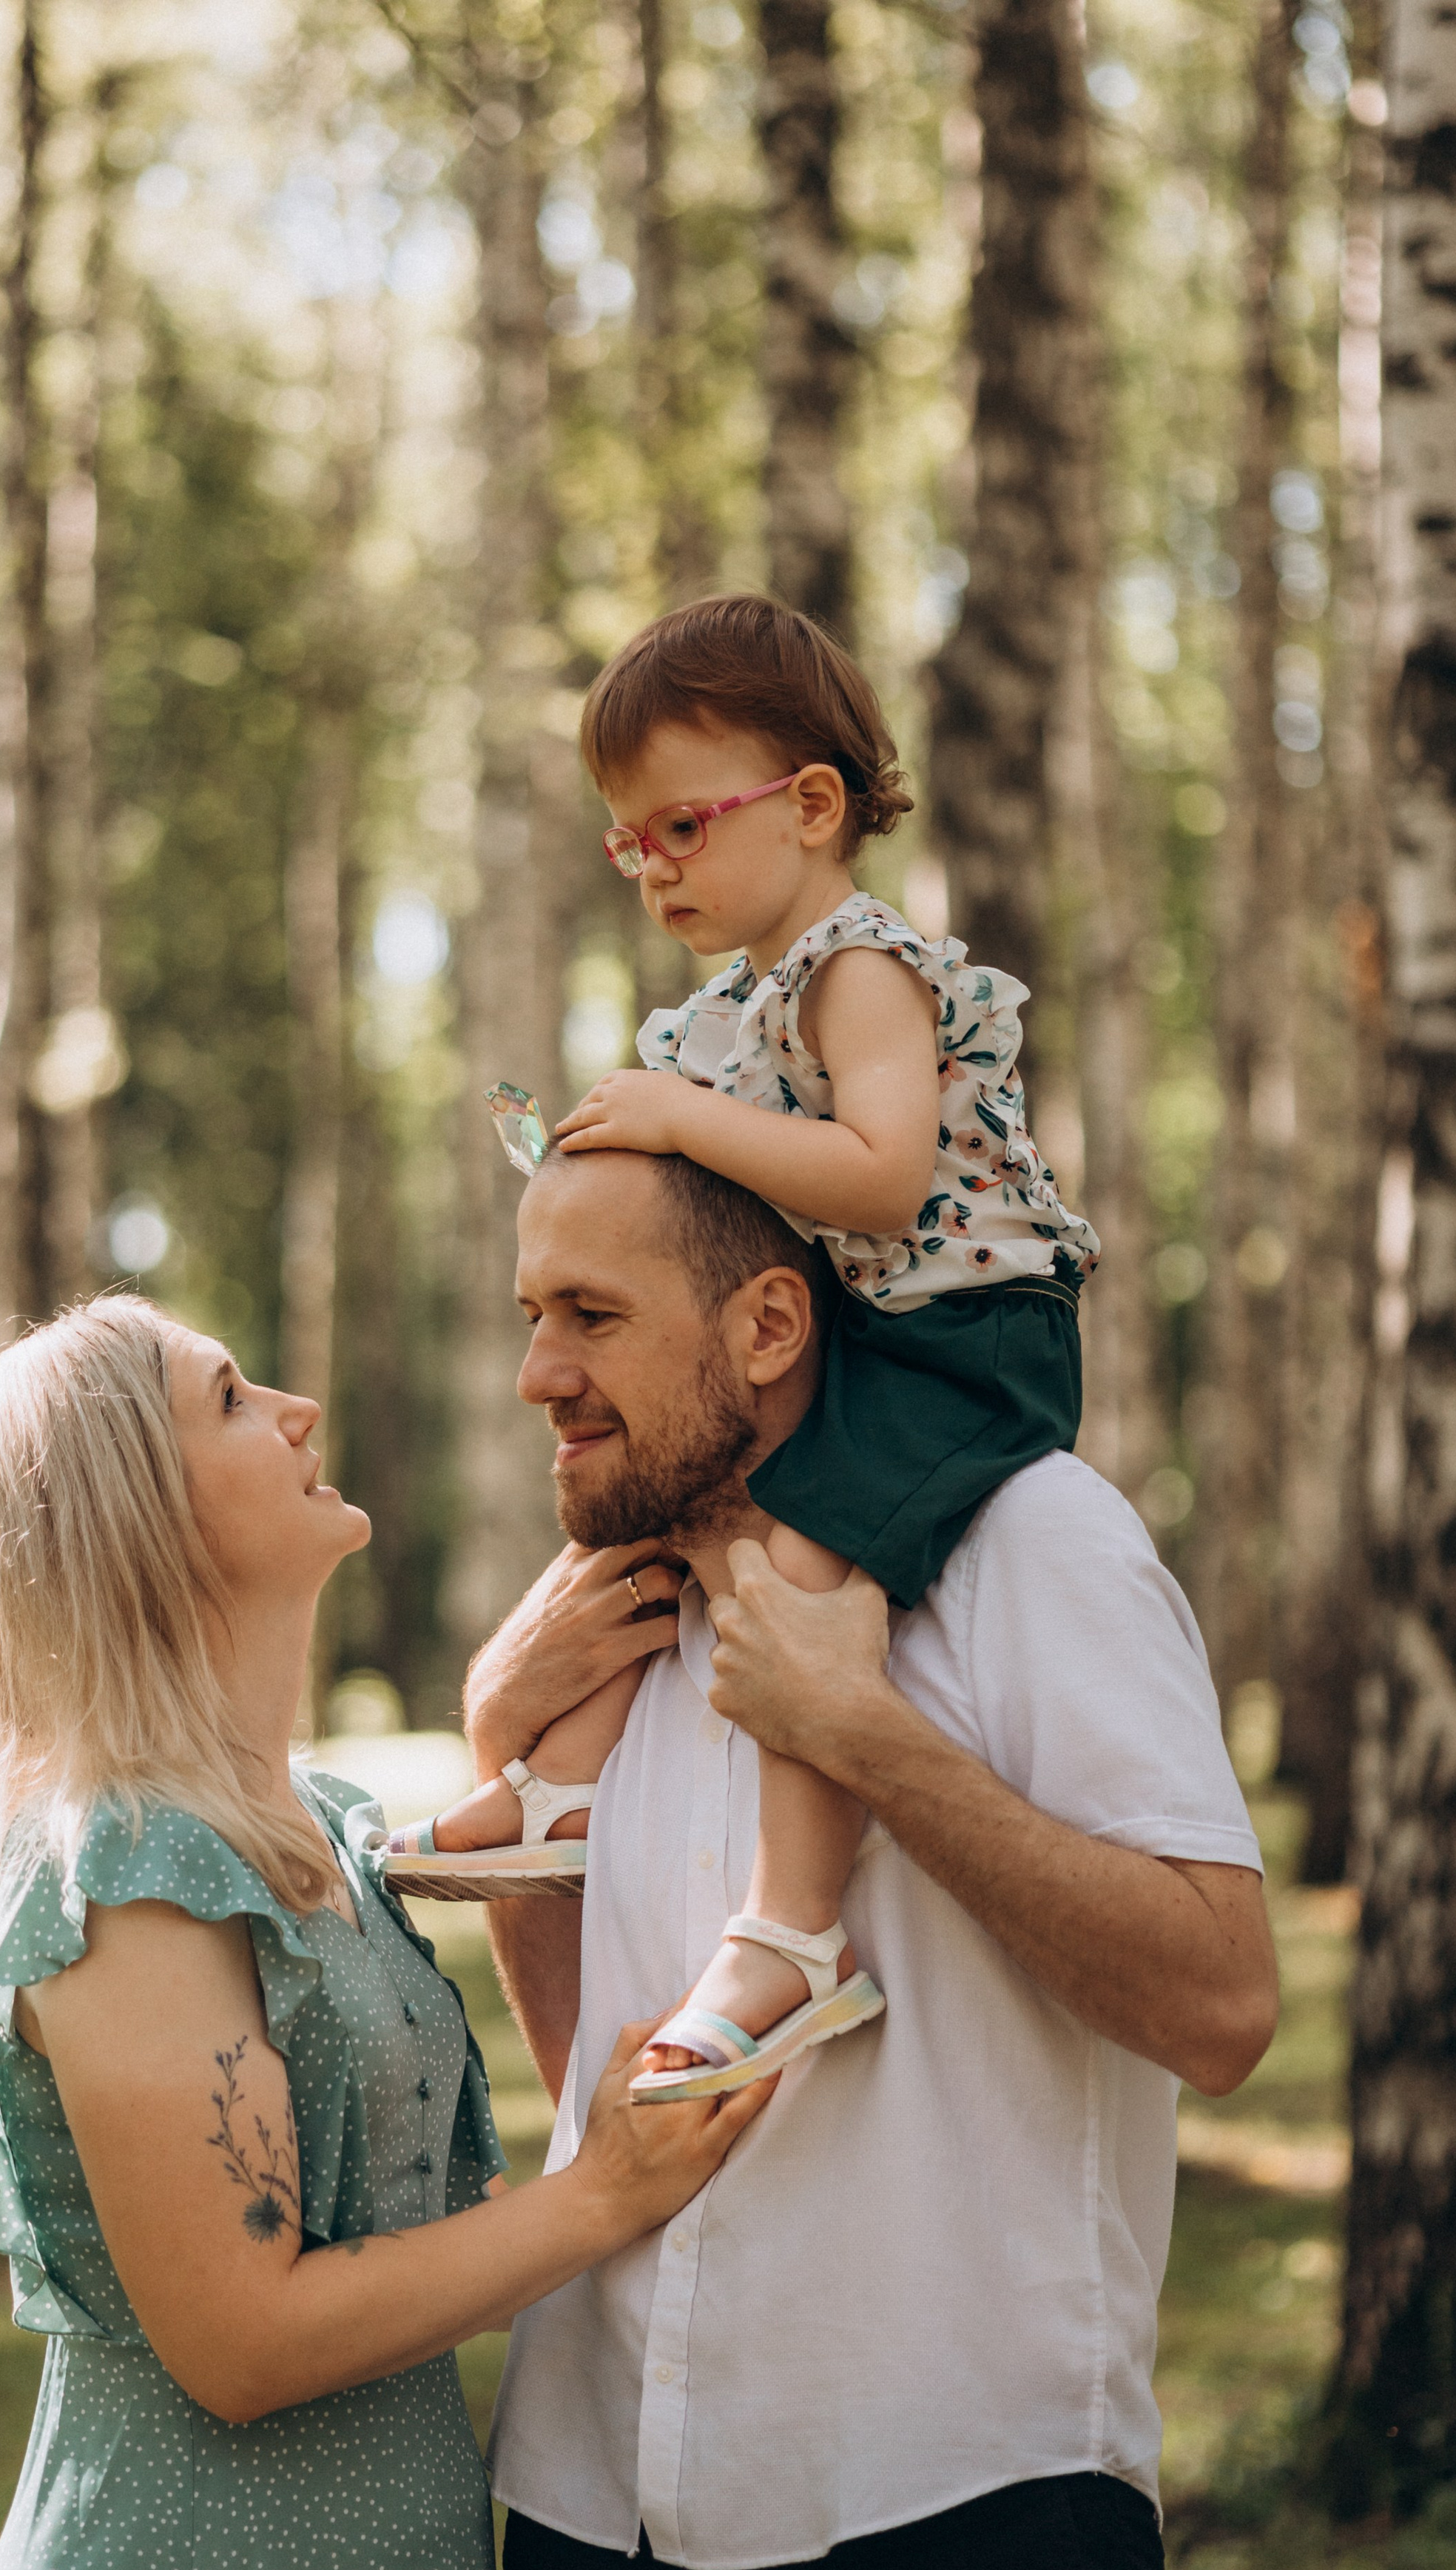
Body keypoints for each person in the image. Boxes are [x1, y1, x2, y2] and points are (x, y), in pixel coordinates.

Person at [468, 1143, 1276, 2570]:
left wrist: (868, 1742)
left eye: (591, 1317)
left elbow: (1220, 2002)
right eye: (533, 1315)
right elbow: (600, 2090)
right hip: (594, 2544)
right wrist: (505, 1745)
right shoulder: (602, 1617)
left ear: (769, 1323)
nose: (540, 1372)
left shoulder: (1031, 1543)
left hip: (957, 2552)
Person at [0, 1295, 772, 2570]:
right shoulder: (131, 1878)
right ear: (137, 1515)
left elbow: (529, 1836)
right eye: (230, 1397)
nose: (297, 1407)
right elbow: (244, 2337)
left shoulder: (304, 1821)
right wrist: (602, 2195)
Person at [394, 593, 1100, 2099]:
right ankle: (560, 1788)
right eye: (625, 842)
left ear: (811, 805)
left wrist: (673, 1117)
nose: (651, 868)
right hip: (855, 1322)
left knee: (794, 1576)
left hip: (963, 1332)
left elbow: (881, 1174)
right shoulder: (725, 1011)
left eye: (678, 828)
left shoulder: (859, 968)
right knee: (661, 1487)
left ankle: (787, 1934)